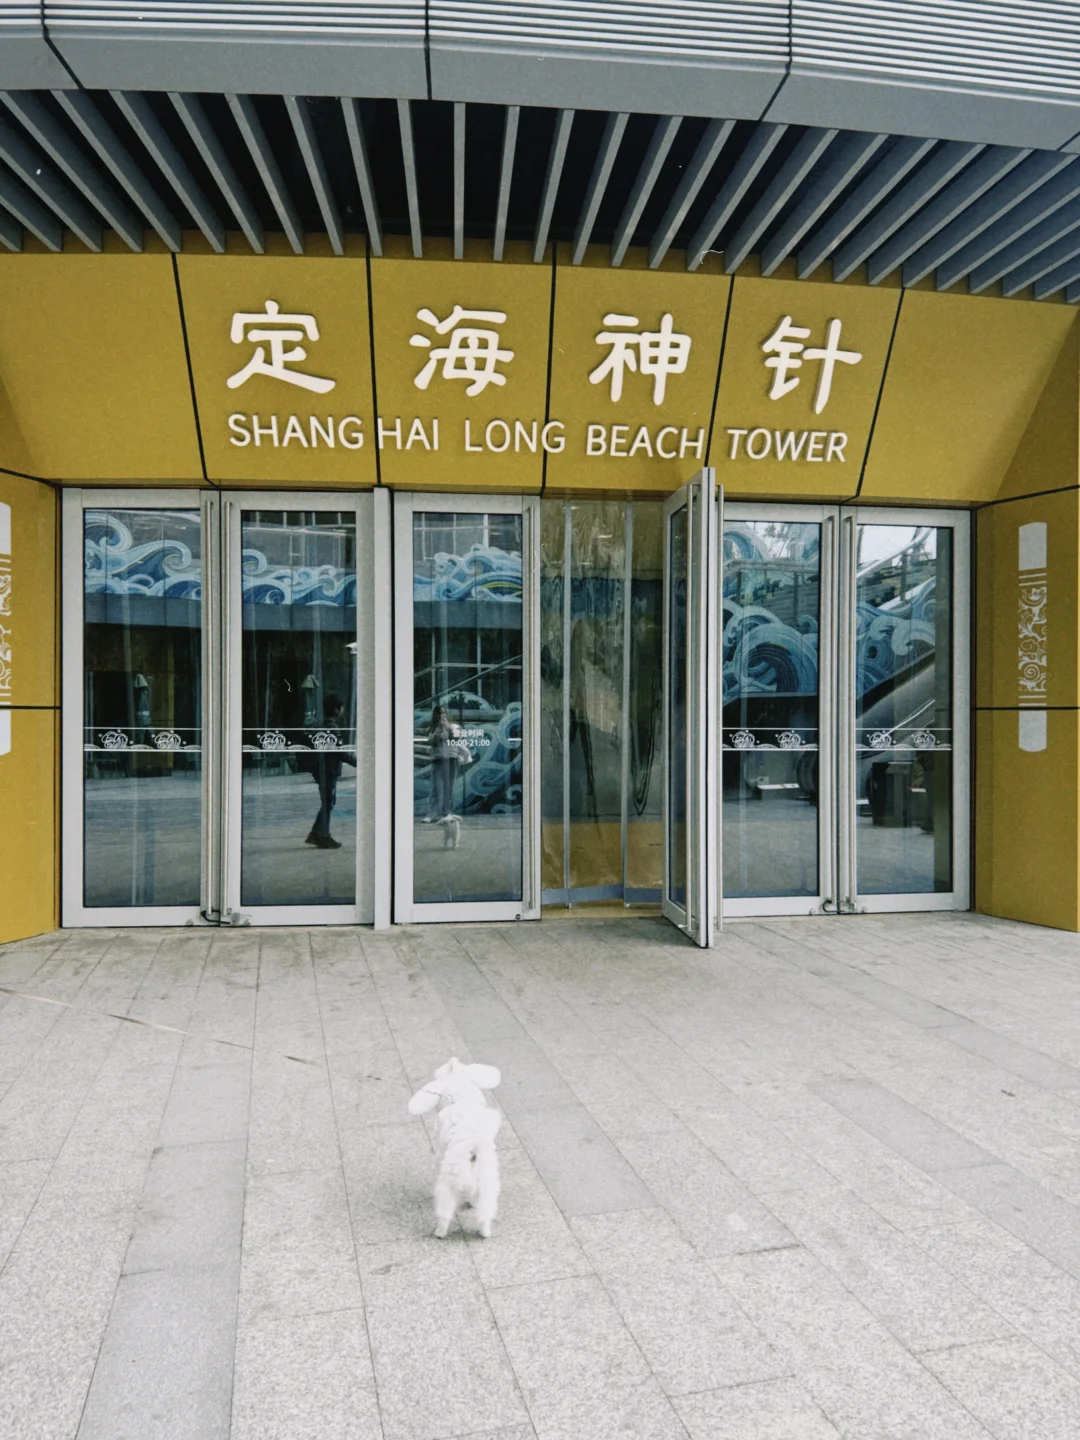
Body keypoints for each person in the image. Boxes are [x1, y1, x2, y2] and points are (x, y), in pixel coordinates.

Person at [305, 694, 350, 849]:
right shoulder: (331, 727)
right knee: (328, 802)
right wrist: (358, 763)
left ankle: (317, 833)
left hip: (321, 769)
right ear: (336, 709)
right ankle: (323, 835)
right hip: (328, 770)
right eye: (341, 707)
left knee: (328, 802)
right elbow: (340, 752)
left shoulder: (321, 725)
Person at [426, 704, 462, 822]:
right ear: (435, 715)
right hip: (438, 759)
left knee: (449, 787)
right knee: (436, 788)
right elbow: (431, 742)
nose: (442, 715)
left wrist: (448, 728)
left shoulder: (453, 726)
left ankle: (447, 813)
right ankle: (432, 814)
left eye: (444, 713)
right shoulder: (433, 728)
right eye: (440, 713)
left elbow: (457, 739)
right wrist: (438, 730)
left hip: (451, 758)